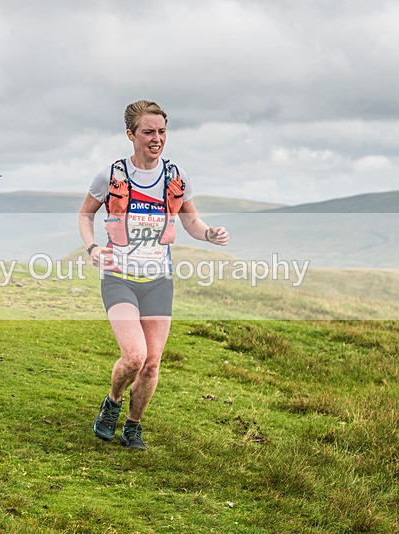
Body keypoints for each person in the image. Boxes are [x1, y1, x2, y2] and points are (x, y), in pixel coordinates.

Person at [78, 100, 229, 450]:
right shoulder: (111, 174)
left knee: (152, 363)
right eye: (148, 132)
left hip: (159, 280)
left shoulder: (176, 175)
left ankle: (133, 426)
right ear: (131, 134)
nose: (156, 138)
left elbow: (191, 220)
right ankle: (113, 401)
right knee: (135, 356)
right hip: (119, 277)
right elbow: (85, 215)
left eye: (161, 131)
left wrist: (209, 233)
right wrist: (92, 247)